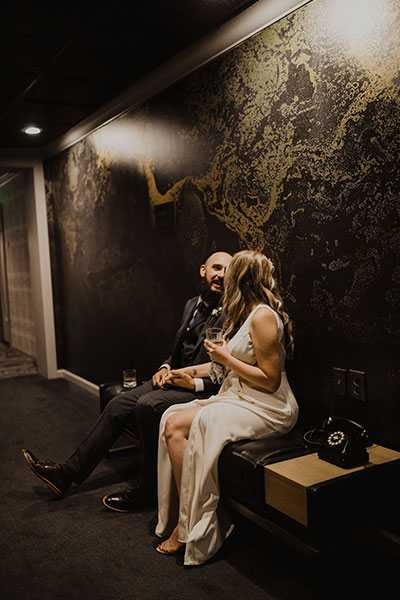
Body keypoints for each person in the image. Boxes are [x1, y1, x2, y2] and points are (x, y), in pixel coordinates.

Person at [22, 251, 232, 510]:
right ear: (203, 270)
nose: (221, 275)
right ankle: (66, 474)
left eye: (227, 271)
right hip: (172, 380)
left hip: (199, 390)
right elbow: (176, 352)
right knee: (119, 404)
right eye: (217, 268)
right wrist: (165, 366)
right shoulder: (191, 304)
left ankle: (147, 490)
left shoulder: (232, 313)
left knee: (147, 404)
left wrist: (193, 382)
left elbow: (224, 369)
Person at [154, 250, 299, 565]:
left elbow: (271, 380)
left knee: (186, 423)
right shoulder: (245, 315)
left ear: (240, 280)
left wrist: (226, 359)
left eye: (229, 275)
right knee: (171, 418)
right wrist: (188, 373)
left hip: (268, 407)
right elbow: (225, 366)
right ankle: (188, 515)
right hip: (241, 397)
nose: (223, 280)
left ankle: (193, 524)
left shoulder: (262, 316)